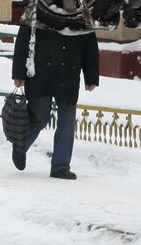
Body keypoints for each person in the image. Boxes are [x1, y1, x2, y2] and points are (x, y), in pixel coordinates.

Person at [11, 23, 99, 180]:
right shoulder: (40, 3)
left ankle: (61, 166)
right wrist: (18, 73)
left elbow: (90, 44)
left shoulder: (80, 7)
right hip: (41, 71)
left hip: (69, 71)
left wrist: (91, 76)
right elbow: (24, 38)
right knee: (40, 117)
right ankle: (20, 145)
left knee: (67, 121)